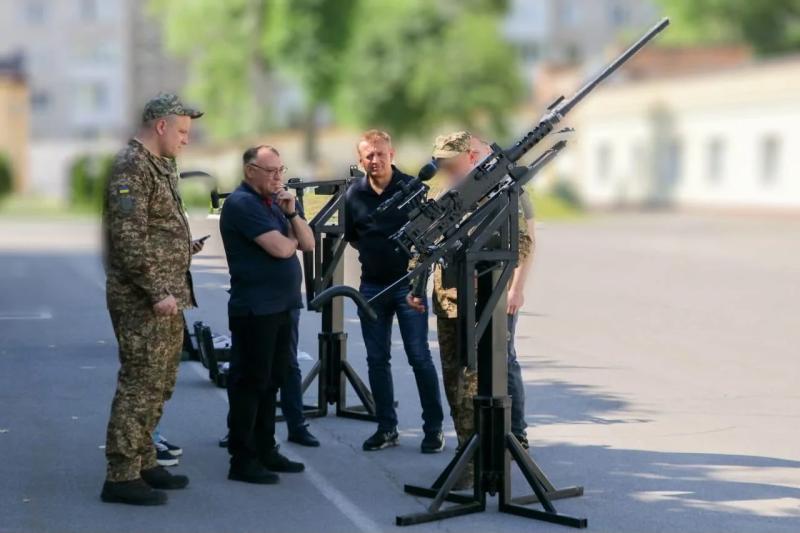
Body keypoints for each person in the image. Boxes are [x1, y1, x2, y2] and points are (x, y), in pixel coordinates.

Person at [407, 131, 536, 488]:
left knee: (482, 380)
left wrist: (496, 275)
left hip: (483, 304)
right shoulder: (439, 194)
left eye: (451, 158)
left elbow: (522, 242)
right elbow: (420, 245)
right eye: (440, 159)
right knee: (454, 381)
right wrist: (414, 285)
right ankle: (467, 450)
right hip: (447, 303)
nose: (445, 166)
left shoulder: (496, 192)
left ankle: (490, 453)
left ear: (469, 157)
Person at [101, 93, 205, 505]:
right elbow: (127, 240)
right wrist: (158, 290)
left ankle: (144, 459)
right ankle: (121, 475)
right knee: (140, 384)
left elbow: (155, 228)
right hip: (143, 299)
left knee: (160, 383)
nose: (186, 140)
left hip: (167, 294)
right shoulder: (131, 166)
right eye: (182, 131)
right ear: (160, 126)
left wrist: (184, 247)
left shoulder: (160, 164)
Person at [344, 130, 445, 453]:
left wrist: (414, 277)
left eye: (380, 153)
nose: (375, 160)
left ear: (392, 153)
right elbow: (353, 236)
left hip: (408, 287)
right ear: (360, 160)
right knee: (377, 360)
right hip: (372, 286)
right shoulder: (353, 195)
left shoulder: (412, 189)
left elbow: (429, 237)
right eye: (368, 156)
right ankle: (386, 428)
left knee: (419, 357)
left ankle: (434, 429)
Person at [220, 145, 315, 484]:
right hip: (256, 309)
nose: (279, 177)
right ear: (250, 171)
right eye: (271, 171)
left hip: (282, 307)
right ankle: (242, 458)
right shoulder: (242, 203)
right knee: (251, 383)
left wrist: (291, 216)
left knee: (272, 381)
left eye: (281, 169)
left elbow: (308, 243)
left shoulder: (277, 202)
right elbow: (281, 249)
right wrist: (289, 235)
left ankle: (266, 448)